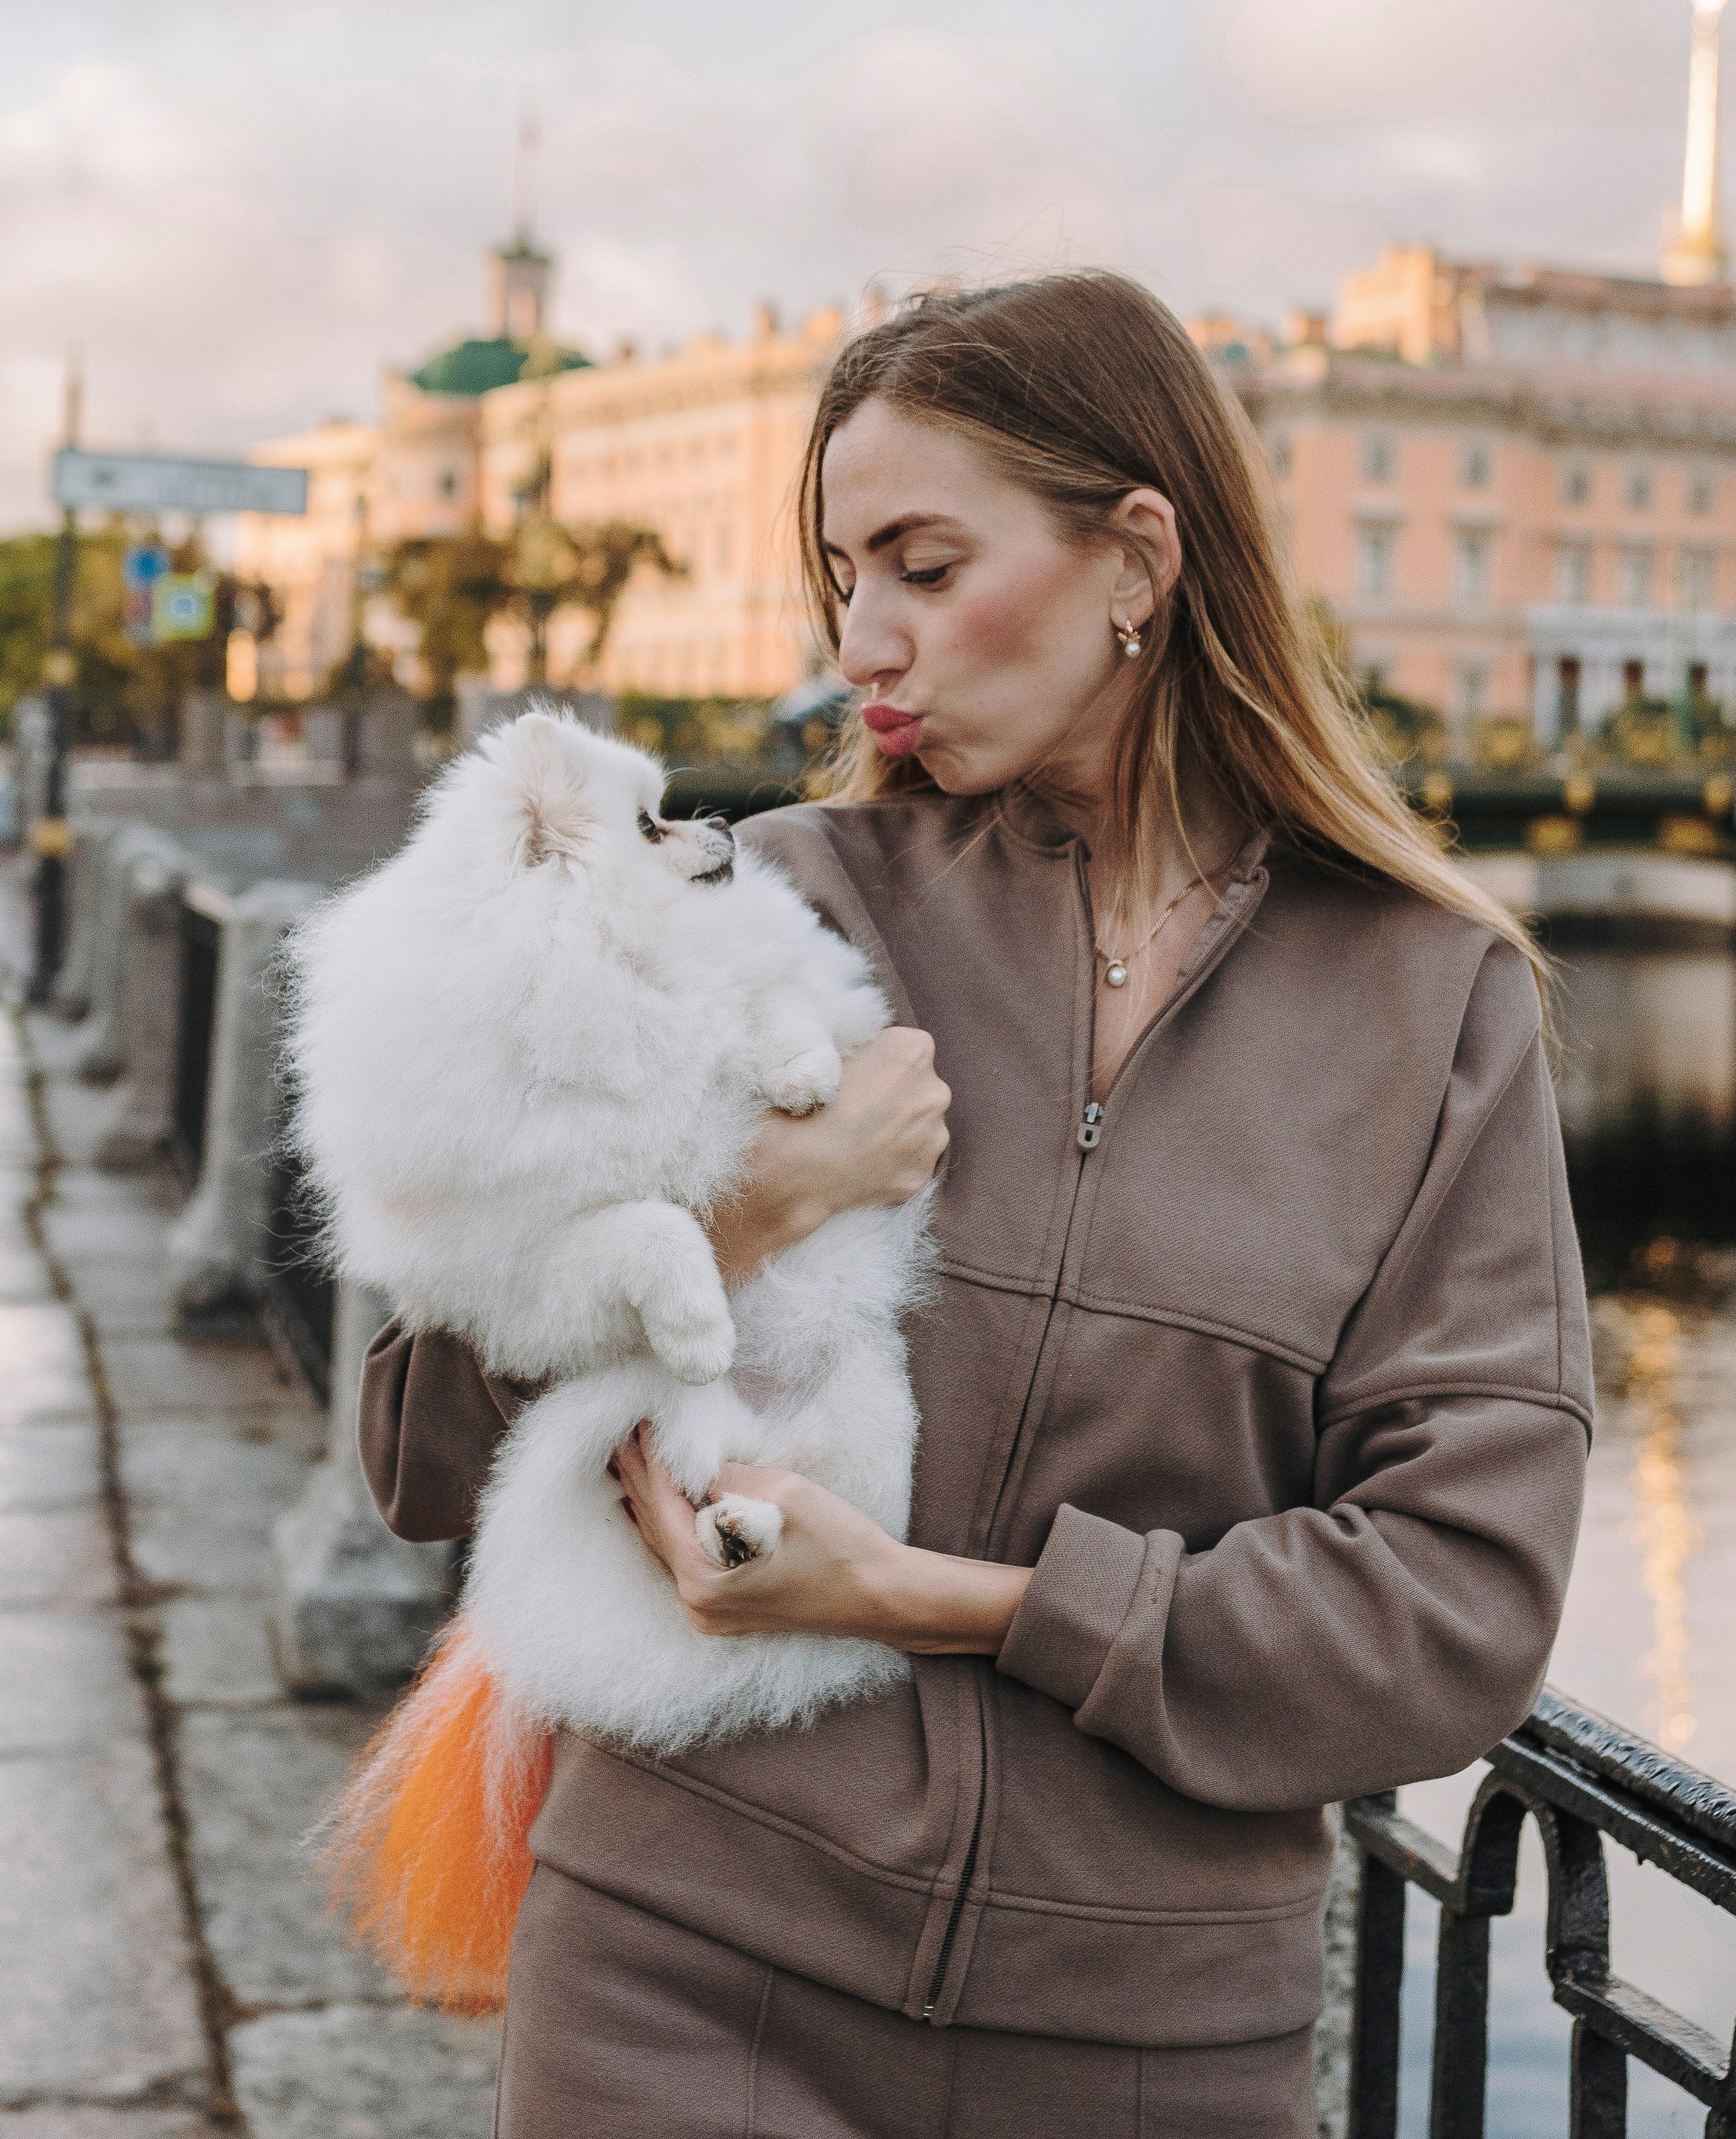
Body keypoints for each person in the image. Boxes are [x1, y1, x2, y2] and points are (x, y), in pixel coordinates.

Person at [359, 270, 1591, 2137]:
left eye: (924, 567)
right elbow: (409, 1438)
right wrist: (734, 1219)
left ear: (1136, 557)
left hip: (1147, 2045)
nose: (867, 638)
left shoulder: (1429, 1005)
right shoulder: (761, 902)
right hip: (678, 1969)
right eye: (845, 575)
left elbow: (1454, 1601)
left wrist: (957, 1600)